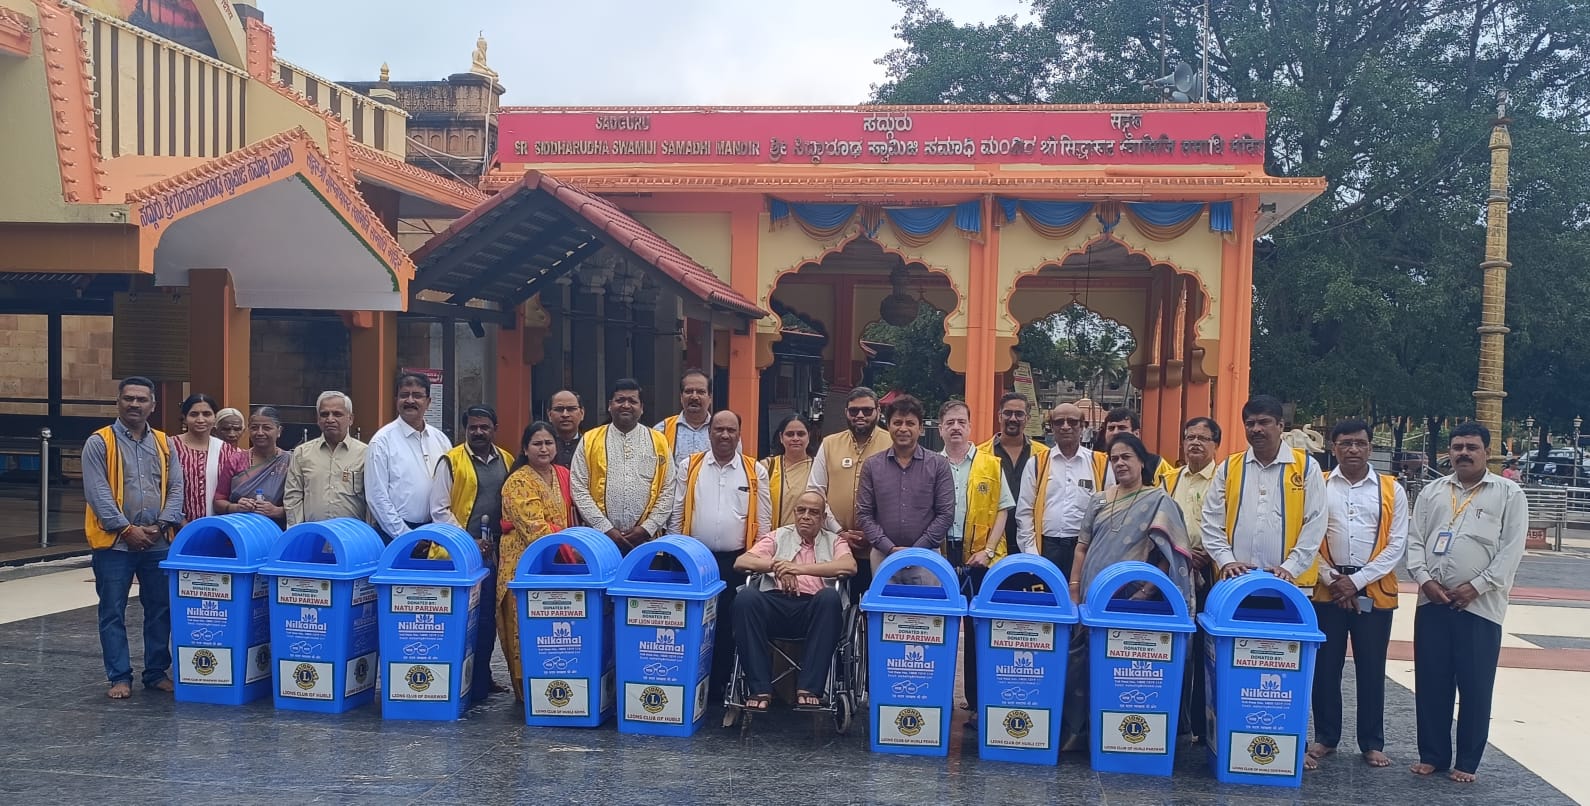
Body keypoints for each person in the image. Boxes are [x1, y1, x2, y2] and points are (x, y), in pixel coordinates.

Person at [1407, 423, 1526, 784]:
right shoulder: (1432, 491)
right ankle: (1433, 755)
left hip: (1480, 606)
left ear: (1487, 452)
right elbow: (1415, 541)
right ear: (1449, 451)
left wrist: (1477, 586)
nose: (1463, 453)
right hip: (1432, 602)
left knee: (1475, 686)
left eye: (1472, 447)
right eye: (1457, 447)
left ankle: (1468, 762)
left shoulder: (1508, 493)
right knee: (1431, 682)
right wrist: (1425, 580)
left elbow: (1511, 550)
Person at [1061, 433, 1196, 750]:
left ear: (1141, 462)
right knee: (1083, 662)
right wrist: (1074, 589)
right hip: (1093, 595)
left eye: (1126, 457)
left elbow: (1170, 554)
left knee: (1123, 666)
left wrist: (1147, 591)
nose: (1120, 463)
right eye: (1114, 458)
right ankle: (1081, 733)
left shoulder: (1158, 501)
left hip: (1131, 599)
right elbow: (1082, 548)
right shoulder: (1099, 500)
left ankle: (1123, 732)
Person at [1307, 419, 1408, 771]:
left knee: (1371, 668)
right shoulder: (1317, 484)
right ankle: (1325, 737)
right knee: (1324, 667)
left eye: (1360, 443)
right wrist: (1333, 578)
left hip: (1374, 590)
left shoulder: (1392, 489)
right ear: (1333, 447)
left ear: (1370, 447)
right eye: (1346, 443)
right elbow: (1306, 535)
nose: (1353, 449)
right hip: (1327, 589)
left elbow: (1396, 544)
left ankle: (1371, 742)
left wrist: (1358, 581)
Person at [81, 376, 184, 699]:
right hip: (115, 544)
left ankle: (156, 672)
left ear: (153, 405)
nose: (135, 404)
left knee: (160, 609)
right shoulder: (99, 442)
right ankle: (119, 676)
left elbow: (176, 488)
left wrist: (161, 524)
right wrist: (126, 529)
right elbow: (97, 492)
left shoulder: (165, 443)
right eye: (129, 398)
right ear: (118, 402)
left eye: (142, 399)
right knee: (112, 611)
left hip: (158, 541)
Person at [669, 410, 771, 697]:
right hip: (694, 560)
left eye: (731, 430)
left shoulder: (755, 471)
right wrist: (676, 553)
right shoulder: (690, 465)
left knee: (727, 624)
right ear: (709, 432)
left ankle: (718, 690)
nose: (725, 435)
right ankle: (689, 684)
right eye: (719, 429)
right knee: (691, 623)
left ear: (739, 434)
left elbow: (764, 521)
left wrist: (757, 561)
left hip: (735, 562)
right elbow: (677, 512)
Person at [732, 490, 856, 712]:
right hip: (775, 603)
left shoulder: (835, 541)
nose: (806, 516)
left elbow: (849, 566)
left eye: (813, 512)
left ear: (823, 518)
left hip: (813, 609)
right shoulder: (778, 536)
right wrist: (778, 566)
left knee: (829, 598)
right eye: (801, 510)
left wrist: (799, 569)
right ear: (795, 513)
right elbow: (742, 561)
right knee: (746, 598)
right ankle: (759, 689)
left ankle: (809, 689)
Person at [429, 404, 515, 698]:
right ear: (464, 429)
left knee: (489, 619)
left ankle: (481, 679)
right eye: (473, 427)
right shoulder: (450, 461)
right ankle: (459, 681)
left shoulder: (506, 459)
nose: (478, 432)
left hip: (495, 553)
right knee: (464, 619)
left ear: (495, 429)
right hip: (458, 554)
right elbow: (439, 510)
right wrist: (469, 541)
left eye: (484, 427)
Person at [939, 399, 1014, 729]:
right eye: (950, 422)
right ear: (941, 428)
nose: (956, 427)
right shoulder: (931, 463)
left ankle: (976, 701)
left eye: (961, 422)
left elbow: (1003, 509)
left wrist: (989, 550)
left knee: (978, 630)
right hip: (942, 555)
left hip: (980, 558)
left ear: (970, 427)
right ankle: (936, 699)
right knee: (938, 629)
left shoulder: (991, 464)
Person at [1200, 395, 1327, 588]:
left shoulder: (1307, 467)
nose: (1256, 429)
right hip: (1236, 583)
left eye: (1264, 422)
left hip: (1292, 584)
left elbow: (1316, 523)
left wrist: (1290, 567)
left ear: (1280, 426)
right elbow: (1211, 520)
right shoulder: (1228, 467)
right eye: (1250, 424)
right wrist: (1227, 561)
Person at [499, 421, 577, 702]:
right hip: (523, 563)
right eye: (537, 444)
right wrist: (573, 548)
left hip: (556, 562)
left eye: (548, 443)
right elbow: (535, 529)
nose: (543, 449)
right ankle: (527, 693)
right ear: (525, 449)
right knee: (523, 628)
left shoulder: (563, 474)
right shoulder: (518, 481)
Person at [1158, 415, 1222, 740]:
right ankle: (1175, 719)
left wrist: (1207, 553)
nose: (1194, 443)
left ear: (1215, 445)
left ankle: (1200, 723)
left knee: (1206, 649)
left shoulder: (1224, 480)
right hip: (1174, 569)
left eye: (1202, 438)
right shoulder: (1168, 479)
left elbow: (1229, 522)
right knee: (1173, 645)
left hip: (1211, 569)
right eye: (1189, 437)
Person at [856, 395, 955, 579]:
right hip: (883, 556)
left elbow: (946, 514)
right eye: (897, 422)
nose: (903, 428)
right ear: (888, 426)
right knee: (884, 600)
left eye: (910, 423)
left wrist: (916, 550)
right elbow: (864, 514)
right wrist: (889, 548)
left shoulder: (938, 465)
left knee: (927, 600)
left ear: (921, 428)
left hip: (926, 557)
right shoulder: (872, 466)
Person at [571, 378, 675, 553]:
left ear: (642, 408)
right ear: (609, 405)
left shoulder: (658, 441)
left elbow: (668, 488)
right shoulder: (590, 440)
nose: (626, 405)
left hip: (647, 542)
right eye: (620, 400)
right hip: (600, 541)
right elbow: (578, 488)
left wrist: (647, 528)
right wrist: (605, 528)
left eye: (632, 401)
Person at [808, 386, 892, 596]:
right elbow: (815, 492)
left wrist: (874, 533)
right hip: (834, 543)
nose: (860, 415)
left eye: (867, 410)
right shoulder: (829, 444)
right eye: (854, 411)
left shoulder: (891, 443)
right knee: (833, 603)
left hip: (880, 546)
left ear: (878, 411)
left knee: (874, 604)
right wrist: (839, 532)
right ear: (846, 412)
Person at [1016, 401, 1107, 579]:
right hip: (1047, 548)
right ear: (1051, 427)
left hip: (1085, 549)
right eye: (1059, 422)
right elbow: (1024, 512)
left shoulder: (1100, 463)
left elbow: (1109, 510)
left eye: (1072, 422)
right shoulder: (1036, 463)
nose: (1065, 427)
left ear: (1083, 426)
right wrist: (1032, 553)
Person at [365, 372, 453, 542]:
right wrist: (405, 536)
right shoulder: (382, 441)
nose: (410, 401)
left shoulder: (441, 440)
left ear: (428, 402)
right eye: (404, 395)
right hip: (395, 535)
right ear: (396, 400)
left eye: (417, 396)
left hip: (437, 531)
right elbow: (377, 497)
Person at [978, 392, 1049, 559]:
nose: (1013, 418)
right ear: (999, 416)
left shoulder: (1044, 456)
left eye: (1019, 414)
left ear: (1027, 418)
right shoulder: (981, 454)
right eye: (1008, 413)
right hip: (990, 544)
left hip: (1032, 542)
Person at [284, 391, 368, 526]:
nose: (330, 419)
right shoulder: (302, 453)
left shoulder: (366, 454)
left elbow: (373, 500)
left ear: (351, 419)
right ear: (318, 420)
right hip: (314, 534)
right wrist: (297, 533)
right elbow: (293, 498)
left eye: (337, 414)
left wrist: (369, 533)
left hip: (352, 535)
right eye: (324, 414)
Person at [214, 406, 290, 526]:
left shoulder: (290, 461)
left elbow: (302, 503)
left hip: (277, 529)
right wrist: (236, 507)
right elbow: (219, 501)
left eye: (266, 428)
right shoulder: (236, 460)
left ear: (279, 431)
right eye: (254, 428)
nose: (260, 433)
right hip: (240, 528)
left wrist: (277, 511)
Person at [171, 393, 235, 523]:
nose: (200, 420)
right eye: (194, 414)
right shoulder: (170, 446)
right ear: (184, 418)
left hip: (218, 525)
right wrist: (181, 523)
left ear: (215, 418)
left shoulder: (226, 450)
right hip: (175, 525)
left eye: (206, 414)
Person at [763, 414, 816, 529]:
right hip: (774, 536)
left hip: (809, 537)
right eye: (790, 434)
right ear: (781, 437)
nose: (795, 438)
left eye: (801, 434)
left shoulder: (818, 467)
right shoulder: (767, 466)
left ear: (809, 436)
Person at [1101, 407, 1174, 487]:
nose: (1115, 432)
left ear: (1136, 433)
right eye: (1111, 428)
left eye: (1122, 428)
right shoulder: (1097, 462)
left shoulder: (1156, 464)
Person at [656, 368, 713, 462]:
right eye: (689, 391)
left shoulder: (722, 431)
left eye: (700, 392)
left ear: (710, 397)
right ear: (681, 396)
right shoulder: (662, 430)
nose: (694, 397)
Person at [547, 389, 585, 467]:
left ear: (582, 413)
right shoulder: (542, 448)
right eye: (559, 409)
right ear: (549, 414)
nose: (565, 414)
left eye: (571, 409)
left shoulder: (590, 446)